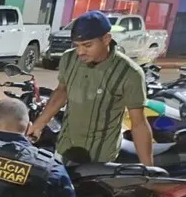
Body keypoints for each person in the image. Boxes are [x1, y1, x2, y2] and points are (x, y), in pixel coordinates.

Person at [29, 10, 153, 166]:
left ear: (106, 39)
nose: (80, 52)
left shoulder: (130, 73)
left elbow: (139, 124)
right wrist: (39, 124)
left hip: (100, 159)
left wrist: (148, 169)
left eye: (87, 45)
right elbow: (62, 91)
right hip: (64, 149)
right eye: (77, 45)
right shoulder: (69, 59)